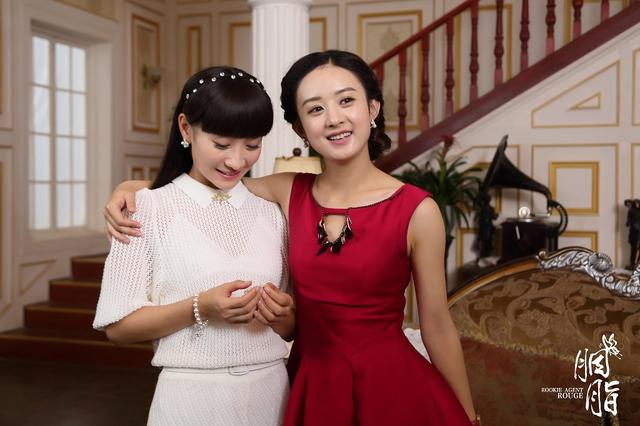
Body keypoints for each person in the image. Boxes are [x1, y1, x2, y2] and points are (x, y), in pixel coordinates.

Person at [105, 50, 479, 425]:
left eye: (346, 100)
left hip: (391, 386)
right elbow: (206, 185)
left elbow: (437, 326)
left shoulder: (418, 210)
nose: (334, 118)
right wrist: (132, 189)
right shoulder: (286, 192)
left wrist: (468, 415)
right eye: (315, 109)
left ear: (373, 108)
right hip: (310, 383)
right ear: (300, 128)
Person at [94, 66, 295, 426]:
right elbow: (118, 327)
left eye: (252, 145)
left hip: (273, 394)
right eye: (221, 145)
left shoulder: (274, 212)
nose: (237, 161)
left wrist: (285, 318)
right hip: (190, 399)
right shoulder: (144, 208)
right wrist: (200, 307)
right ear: (186, 128)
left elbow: (294, 326)